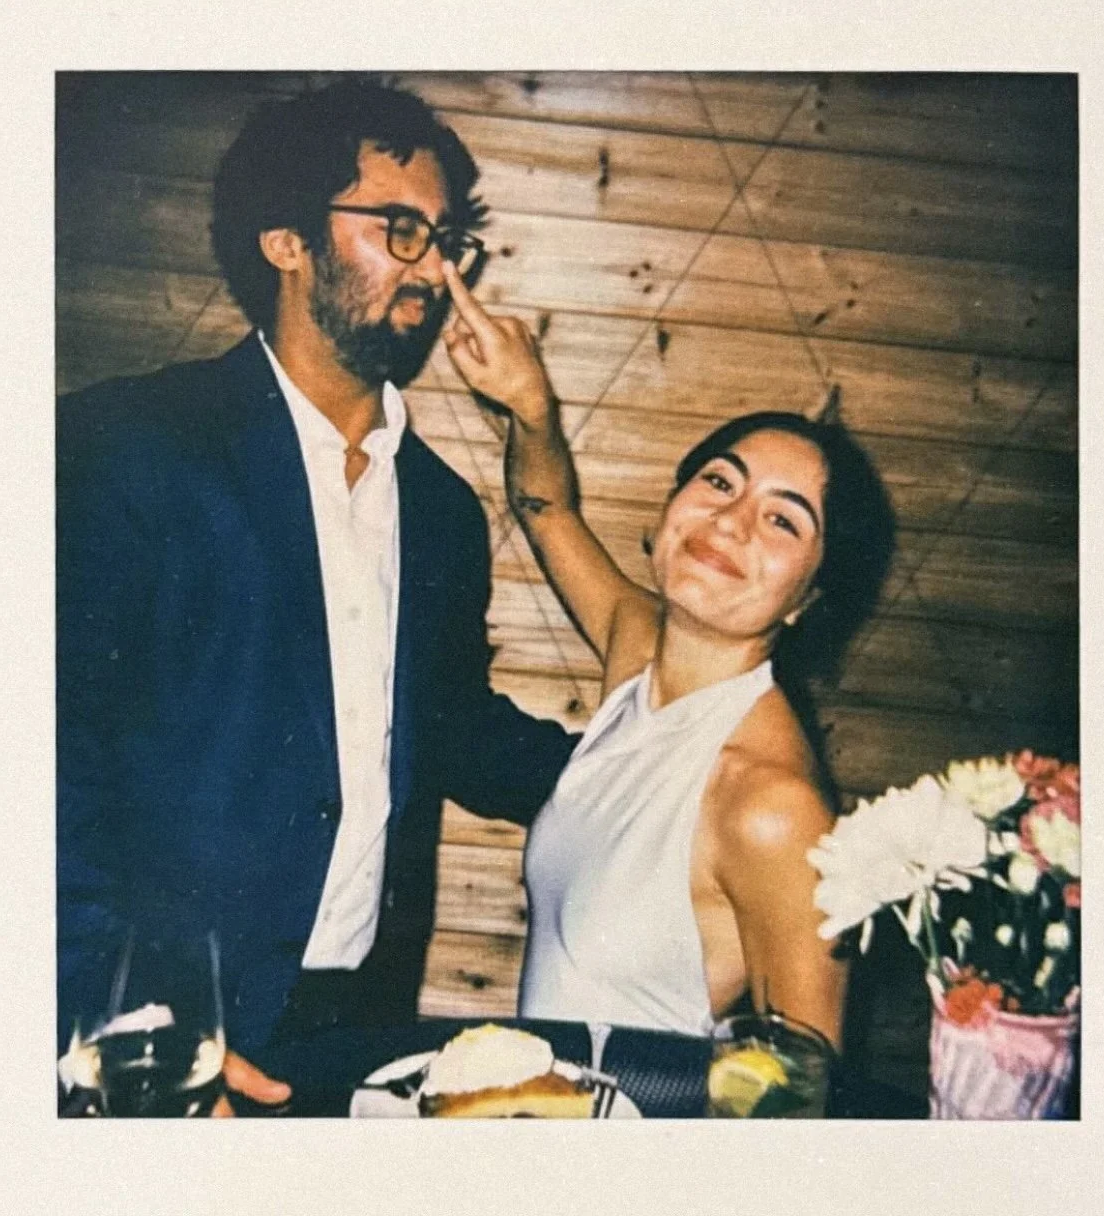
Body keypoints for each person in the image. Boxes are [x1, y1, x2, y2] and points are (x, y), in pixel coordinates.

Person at [56, 78, 576, 1111]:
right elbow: (39, 752)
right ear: (285, 239)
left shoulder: (438, 511)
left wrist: (667, 777)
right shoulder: (127, 446)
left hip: (351, 1026)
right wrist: (125, 1024)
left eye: (444, 236)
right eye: (399, 228)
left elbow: (451, 728)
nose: (434, 267)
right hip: (153, 1019)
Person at [440, 266, 896, 1048]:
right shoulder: (639, 658)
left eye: (783, 523)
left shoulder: (772, 809)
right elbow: (548, 511)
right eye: (720, 481)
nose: (729, 522)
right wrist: (531, 407)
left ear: (806, 601)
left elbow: (803, 1095)